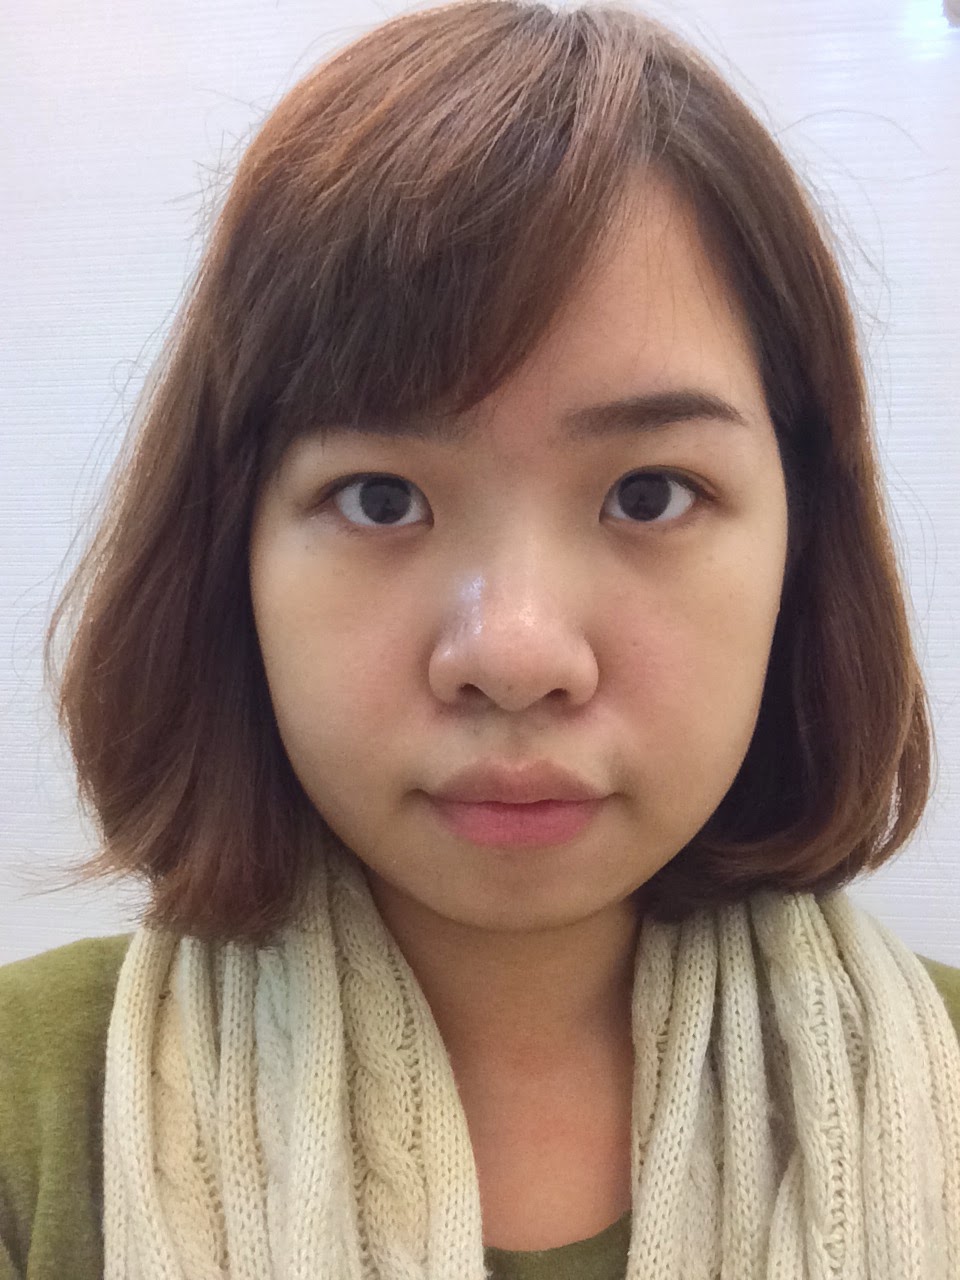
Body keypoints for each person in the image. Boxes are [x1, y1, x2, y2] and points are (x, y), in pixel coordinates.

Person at [1, 2, 959, 1277]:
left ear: (805, 545)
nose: (514, 653)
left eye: (650, 494)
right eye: (379, 497)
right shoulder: (32, 1118)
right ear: (231, 558)